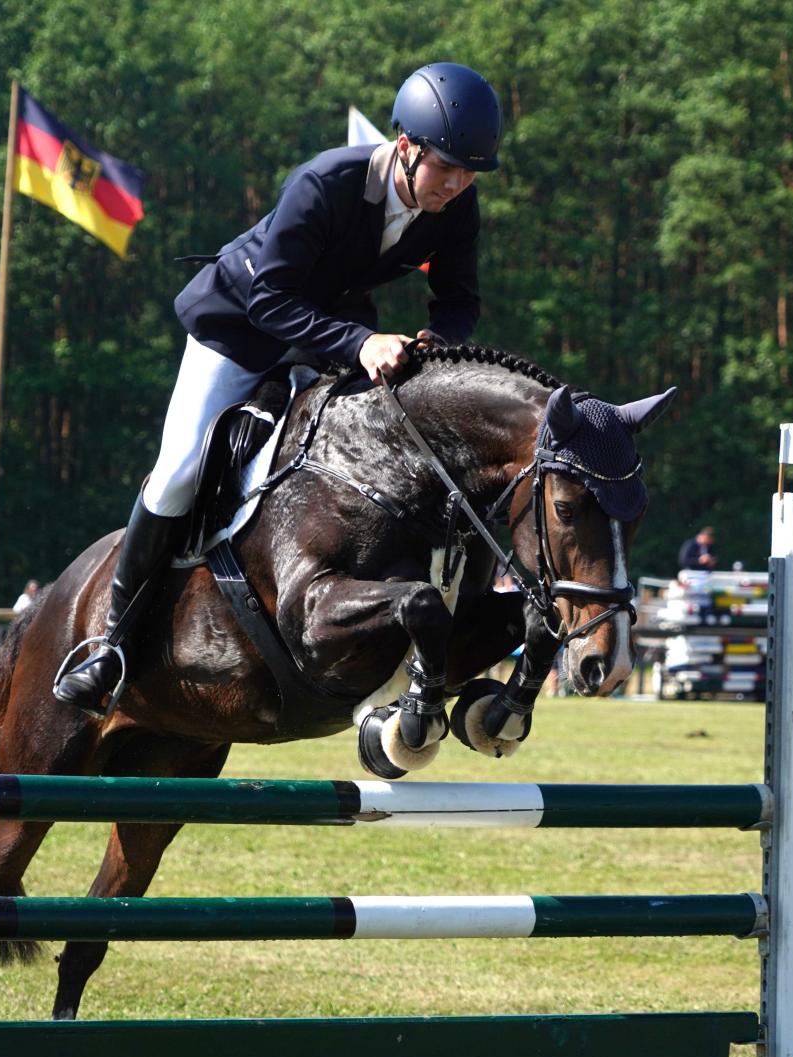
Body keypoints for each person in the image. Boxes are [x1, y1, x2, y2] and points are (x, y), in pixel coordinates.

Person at [54, 62, 503, 711]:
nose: (457, 184)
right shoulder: (326, 182)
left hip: (331, 333)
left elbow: (459, 299)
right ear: (406, 147)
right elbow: (270, 299)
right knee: (179, 472)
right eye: (447, 168)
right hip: (240, 326)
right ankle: (110, 643)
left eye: (470, 173)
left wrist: (438, 340)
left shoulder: (455, 206)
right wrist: (361, 344)